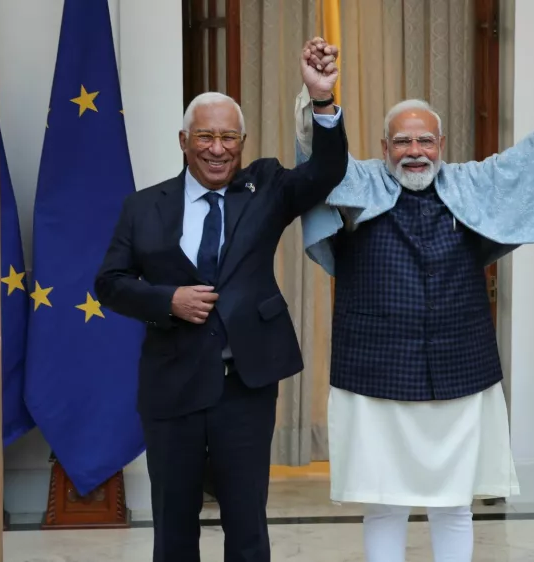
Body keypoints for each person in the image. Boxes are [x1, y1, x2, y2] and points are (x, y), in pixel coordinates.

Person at [296, 48, 534, 561]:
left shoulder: (471, 182)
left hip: (461, 367)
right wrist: (322, 98)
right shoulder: (358, 181)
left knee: (455, 503)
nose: (414, 151)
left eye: (424, 140)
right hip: (373, 370)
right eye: (402, 141)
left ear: (441, 144)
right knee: (383, 502)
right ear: (383, 146)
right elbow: (318, 154)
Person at [94, 38, 348, 562]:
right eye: (205, 136)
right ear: (183, 140)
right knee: (174, 524)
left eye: (229, 136)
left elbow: (327, 172)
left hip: (245, 388)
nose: (218, 148)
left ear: (243, 141)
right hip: (172, 386)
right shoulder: (144, 207)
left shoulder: (268, 187)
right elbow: (110, 282)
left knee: (247, 524)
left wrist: (322, 101)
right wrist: (168, 301)